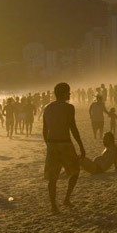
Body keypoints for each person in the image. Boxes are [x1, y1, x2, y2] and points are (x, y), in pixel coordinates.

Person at [43, 82, 86, 213]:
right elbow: (73, 128)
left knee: (52, 178)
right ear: (63, 93)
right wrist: (81, 146)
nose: (70, 94)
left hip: (52, 144)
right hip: (65, 144)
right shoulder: (69, 108)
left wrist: (48, 145)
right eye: (68, 92)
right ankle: (66, 199)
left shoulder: (47, 108)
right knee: (75, 171)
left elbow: (45, 131)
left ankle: (53, 206)